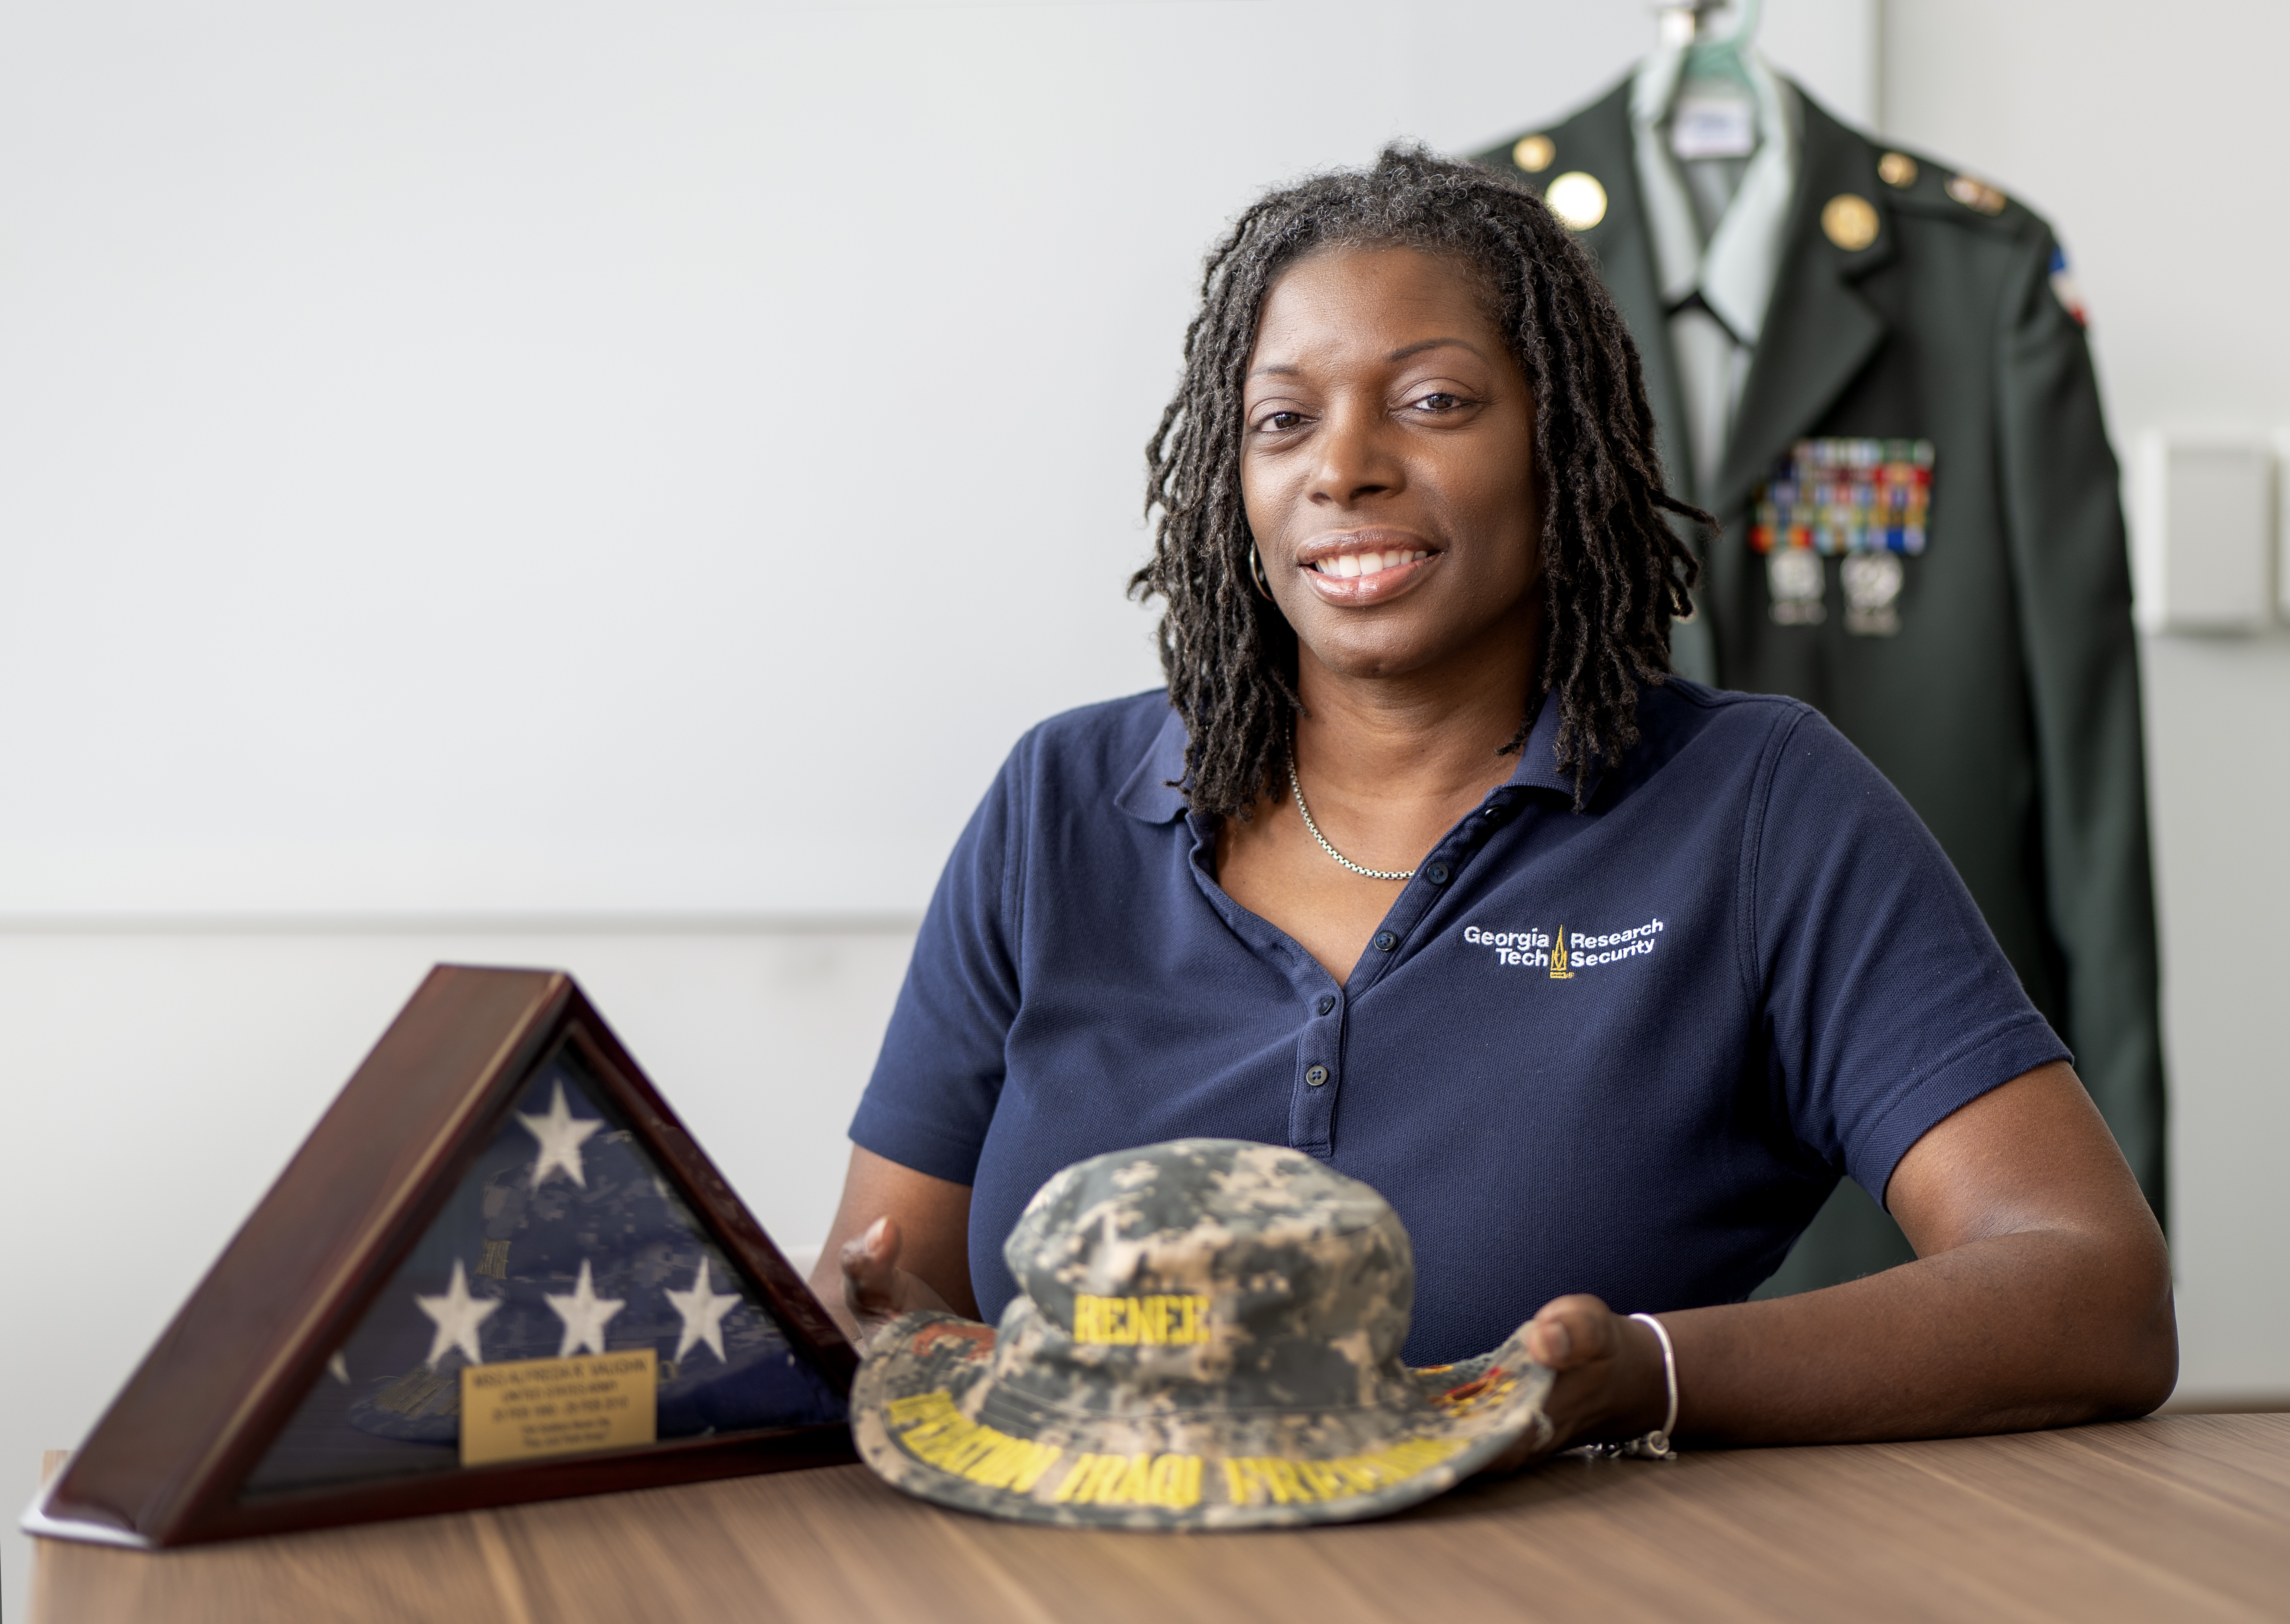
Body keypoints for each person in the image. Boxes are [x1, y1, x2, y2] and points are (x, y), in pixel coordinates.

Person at [811, 144, 2173, 1465]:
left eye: (1432, 401)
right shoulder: (1059, 807)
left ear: (1560, 446)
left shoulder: (1756, 809)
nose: (1341, 465)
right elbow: (886, 1304)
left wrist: (1644, 1375)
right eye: (1282, 418)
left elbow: (2090, 1288)